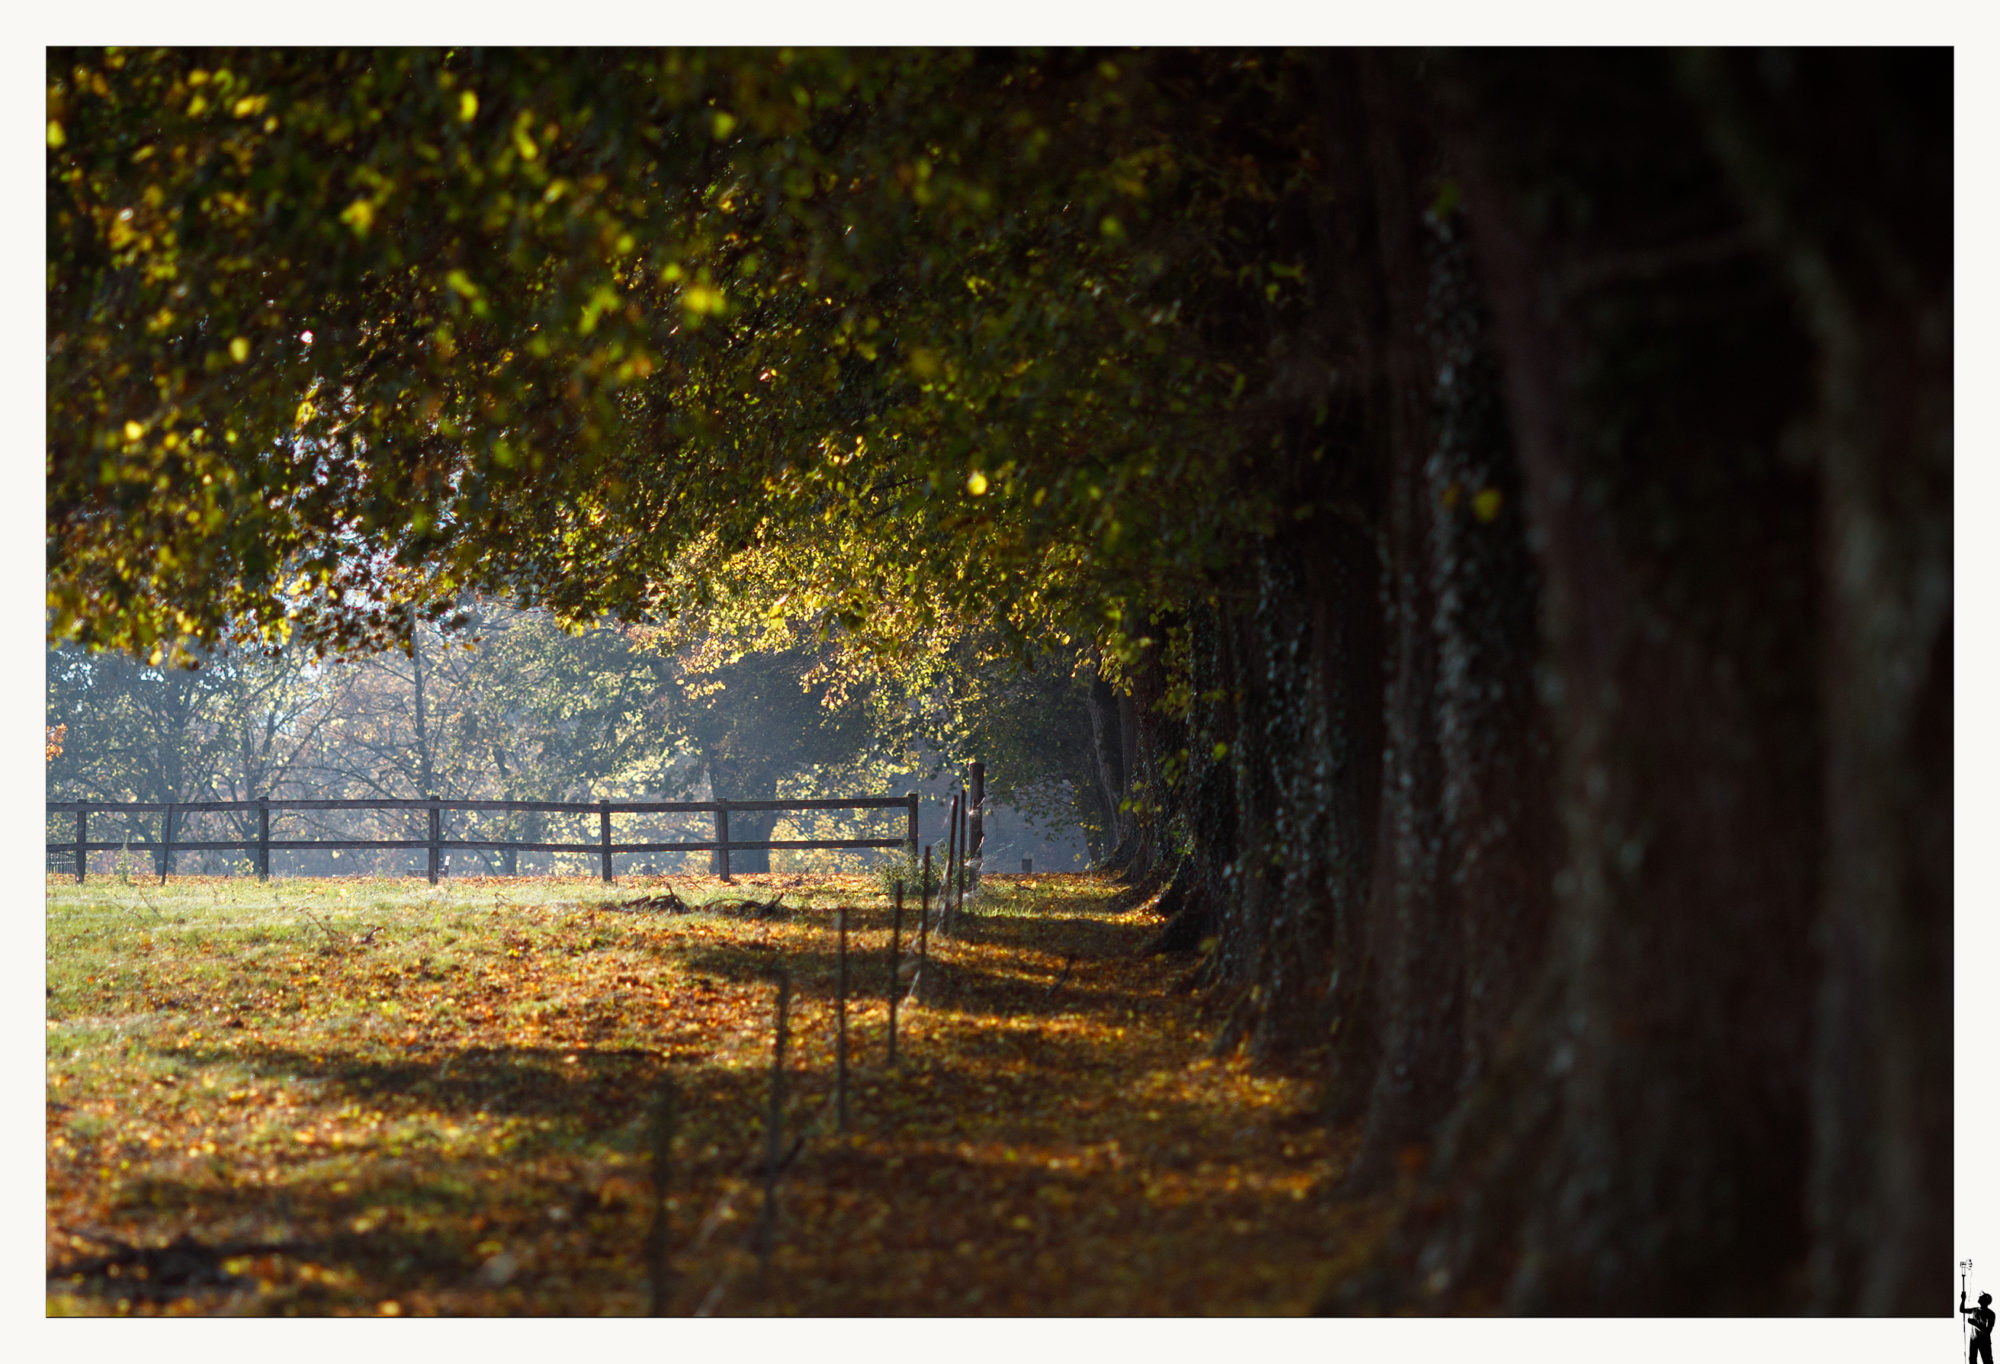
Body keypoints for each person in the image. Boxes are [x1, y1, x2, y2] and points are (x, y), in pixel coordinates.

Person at [1962, 1288, 1995, 1364]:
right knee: (1972, 1360)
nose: (1979, 1297)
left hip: (1984, 1341)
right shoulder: (1974, 1310)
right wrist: (1963, 1299)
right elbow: (1962, 1310)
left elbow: (1988, 1331)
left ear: (1985, 1301)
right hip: (1973, 1340)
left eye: (1981, 1297)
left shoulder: (1990, 1314)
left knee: (1987, 1361)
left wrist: (1975, 1323)